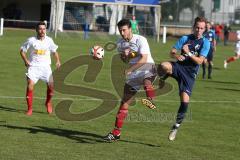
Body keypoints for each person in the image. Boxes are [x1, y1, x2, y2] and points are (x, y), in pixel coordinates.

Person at [103, 19, 157, 142]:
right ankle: (116, 133)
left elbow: (144, 59)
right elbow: (125, 60)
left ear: (130, 29)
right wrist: (125, 56)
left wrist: (129, 70)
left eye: (124, 30)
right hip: (134, 74)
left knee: (146, 82)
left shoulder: (140, 40)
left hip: (148, 67)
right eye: (120, 30)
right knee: (124, 104)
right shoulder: (120, 43)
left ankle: (150, 100)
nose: (122, 33)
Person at [157, 17, 210, 141]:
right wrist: (177, 55)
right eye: (197, 27)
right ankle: (163, 77)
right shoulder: (185, 38)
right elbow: (172, 52)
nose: (199, 30)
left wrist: (188, 53)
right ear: (193, 26)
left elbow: (200, 61)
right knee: (163, 65)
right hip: (178, 67)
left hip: (190, 75)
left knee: (184, 103)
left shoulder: (206, 43)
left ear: (204, 29)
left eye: (202, 28)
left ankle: (176, 126)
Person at [20, 21, 61, 116]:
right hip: (33, 67)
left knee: (51, 86)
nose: (42, 31)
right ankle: (30, 109)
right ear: (36, 30)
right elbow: (22, 51)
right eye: (40, 29)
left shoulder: (49, 40)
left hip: (46, 67)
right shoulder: (31, 40)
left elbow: (54, 51)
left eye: (44, 29)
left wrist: (58, 61)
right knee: (30, 85)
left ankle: (48, 103)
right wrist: (26, 61)